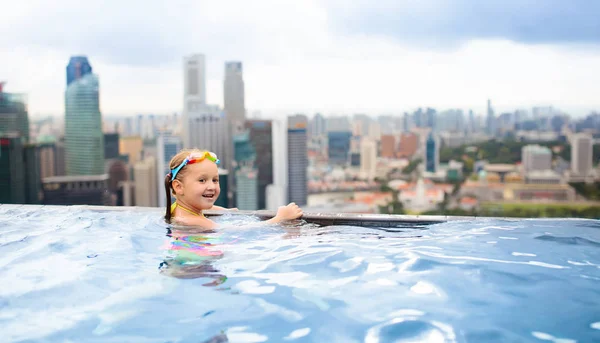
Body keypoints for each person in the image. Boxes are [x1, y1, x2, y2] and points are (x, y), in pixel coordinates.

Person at [163, 149, 303, 229]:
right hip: (195, 270)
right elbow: (240, 231)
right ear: (178, 187)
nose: (211, 186)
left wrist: (226, 211)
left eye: (215, 180)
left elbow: (203, 208)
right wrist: (280, 218)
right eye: (202, 180)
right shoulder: (193, 221)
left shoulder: (177, 209)